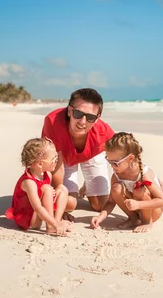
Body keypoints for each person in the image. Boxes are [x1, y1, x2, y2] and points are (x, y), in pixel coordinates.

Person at [42, 88, 115, 219]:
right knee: (69, 204)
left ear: (97, 118)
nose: (82, 122)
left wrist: (147, 177)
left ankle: (87, 185)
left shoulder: (103, 131)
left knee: (99, 205)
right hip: (64, 158)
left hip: (92, 155)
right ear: (70, 111)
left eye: (90, 117)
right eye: (78, 113)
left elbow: (126, 153)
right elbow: (54, 163)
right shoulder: (53, 122)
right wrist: (59, 207)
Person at [91, 132, 163, 233]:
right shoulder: (117, 174)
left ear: (130, 158)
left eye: (115, 163)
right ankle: (133, 218)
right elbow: (111, 201)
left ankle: (146, 222)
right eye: (109, 161)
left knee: (139, 190)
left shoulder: (143, 174)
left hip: (154, 211)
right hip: (136, 207)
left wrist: (139, 205)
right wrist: (101, 216)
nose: (112, 166)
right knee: (116, 188)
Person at [5, 137, 71, 236]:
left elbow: (45, 197)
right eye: (54, 159)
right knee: (47, 188)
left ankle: (55, 221)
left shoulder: (48, 174)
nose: (57, 161)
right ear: (40, 164)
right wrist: (48, 191)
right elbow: (38, 208)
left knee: (62, 188)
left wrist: (50, 193)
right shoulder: (28, 182)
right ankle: (51, 225)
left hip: (41, 214)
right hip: (29, 218)